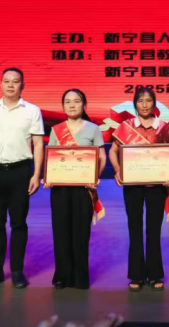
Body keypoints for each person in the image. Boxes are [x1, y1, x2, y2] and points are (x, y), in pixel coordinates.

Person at [0, 67, 45, 289]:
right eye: (7, 81)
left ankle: (17, 271)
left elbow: (38, 144)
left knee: (18, 223)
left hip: (20, 172)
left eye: (15, 81)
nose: (11, 85)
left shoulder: (32, 110)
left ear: (22, 85)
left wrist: (36, 174)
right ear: (1, 84)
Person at [109, 87, 169, 292]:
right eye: (140, 101)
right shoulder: (125, 126)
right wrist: (117, 169)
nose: (144, 105)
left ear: (154, 103)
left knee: (154, 230)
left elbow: (168, 154)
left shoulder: (163, 127)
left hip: (156, 186)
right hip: (133, 185)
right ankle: (136, 274)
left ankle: (154, 274)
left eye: (148, 100)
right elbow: (113, 151)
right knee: (134, 229)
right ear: (134, 104)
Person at [47, 88, 106, 290]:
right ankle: (62, 276)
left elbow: (101, 157)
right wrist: (49, 177)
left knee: (81, 232)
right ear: (63, 106)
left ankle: (80, 276)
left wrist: (95, 177)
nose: (72, 105)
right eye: (68, 101)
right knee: (61, 231)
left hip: (83, 188)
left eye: (77, 101)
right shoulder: (56, 130)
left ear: (84, 105)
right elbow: (51, 156)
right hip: (60, 189)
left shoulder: (93, 129)